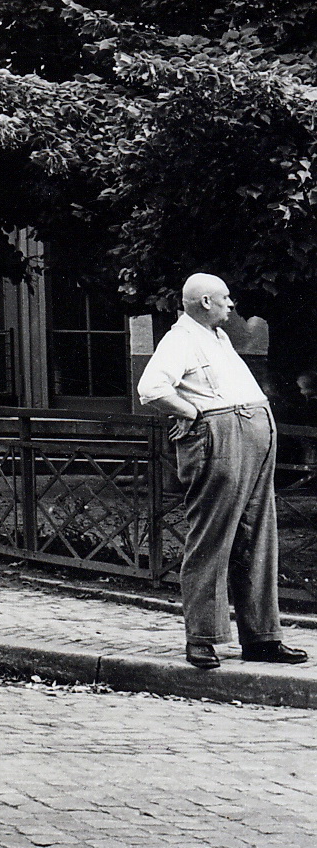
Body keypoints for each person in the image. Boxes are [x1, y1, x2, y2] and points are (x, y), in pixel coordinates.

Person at [137, 272, 307, 672]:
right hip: (222, 438)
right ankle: (202, 638)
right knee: (211, 538)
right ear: (205, 302)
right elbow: (151, 388)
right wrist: (191, 413)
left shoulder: (218, 337)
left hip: (253, 433)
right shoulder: (180, 339)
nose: (231, 304)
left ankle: (262, 638)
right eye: (225, 298)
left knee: (257, 537)